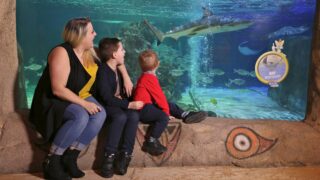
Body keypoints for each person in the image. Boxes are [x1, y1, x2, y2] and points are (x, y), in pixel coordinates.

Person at [29, 18, 132, 180]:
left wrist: (126, 77)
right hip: (53, 99)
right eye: (92, 31)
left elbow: (115, 57)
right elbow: (58, 89)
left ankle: (70, 156)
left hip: (77, 95)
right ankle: (52, 160)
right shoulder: (61, 52)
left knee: (100, 114)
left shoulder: (91, 51)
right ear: (80, 35)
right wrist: (84, 104)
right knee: (81, 116)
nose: (95, 34)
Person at [134, 49, 208, 156]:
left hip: (146, 106)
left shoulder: (145, 76)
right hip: (143, 109)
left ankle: (185, 115)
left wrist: (166, 108)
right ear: (158, 64)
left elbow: (156, 99)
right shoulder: (149, 78)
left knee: (170, 105)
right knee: (163, 116)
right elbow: (159, 98)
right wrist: (166, 113)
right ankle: (151, 141)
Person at [95, 37, 144, 178]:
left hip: (118, 103)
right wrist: (129, 104)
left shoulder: (117, 69)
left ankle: (125, 156)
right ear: (114, 55)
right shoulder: (103, 71)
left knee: (134, 116)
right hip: (107, 105)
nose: (125, 52)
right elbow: (106, 98)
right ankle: (108, 158)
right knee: (120, 116)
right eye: (122, 49)